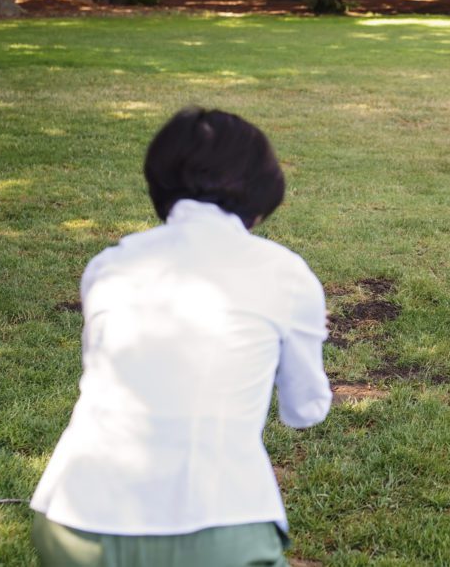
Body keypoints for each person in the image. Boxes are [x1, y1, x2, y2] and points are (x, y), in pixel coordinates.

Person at [30, 107, 332, 567]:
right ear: (262, 191)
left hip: (75, 517)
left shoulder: (109, 265)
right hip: (217, 520)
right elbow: (305, 409)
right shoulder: (286, 274)